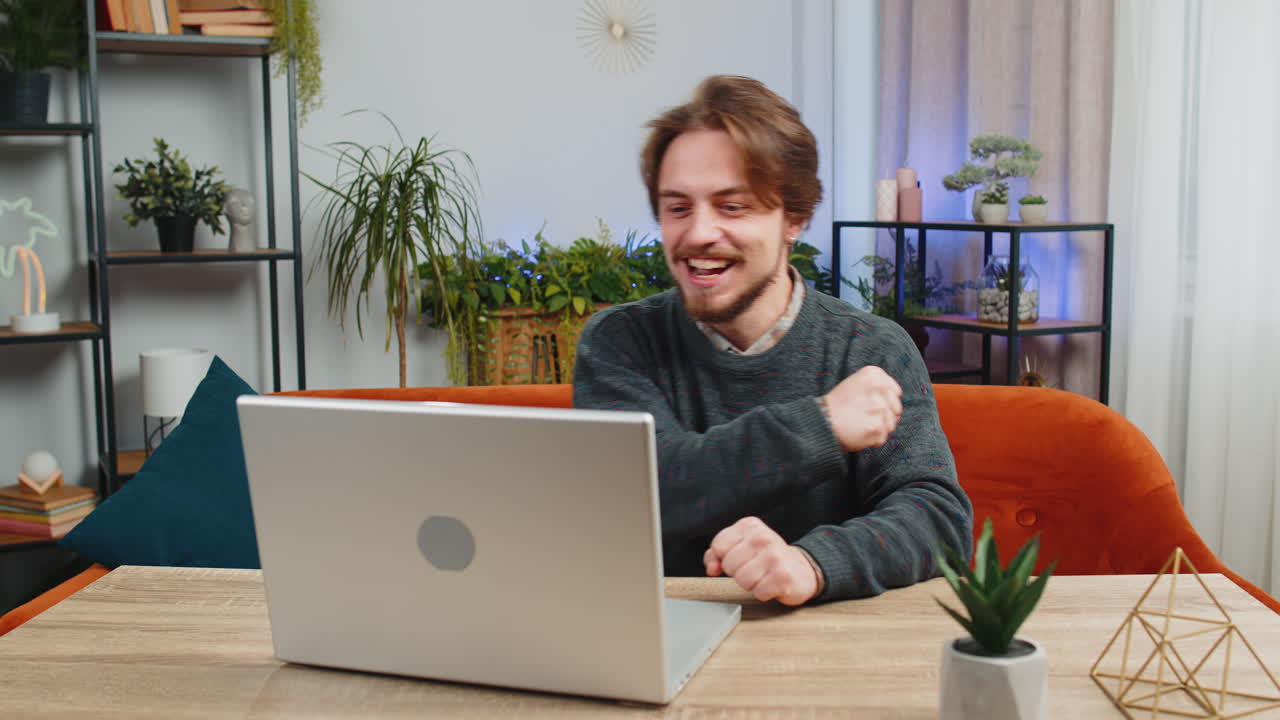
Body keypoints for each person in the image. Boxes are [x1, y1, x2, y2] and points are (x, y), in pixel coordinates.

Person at [572, 75, 973, 606]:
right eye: (678, 208)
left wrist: (812, 564)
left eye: (732, 206)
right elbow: (642, 493)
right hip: (654, 646)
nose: (698, 233)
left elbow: (936, 517)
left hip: (826, 654)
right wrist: (822, 426)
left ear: (796, 218)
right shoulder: (619, 341)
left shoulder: (871, 350)